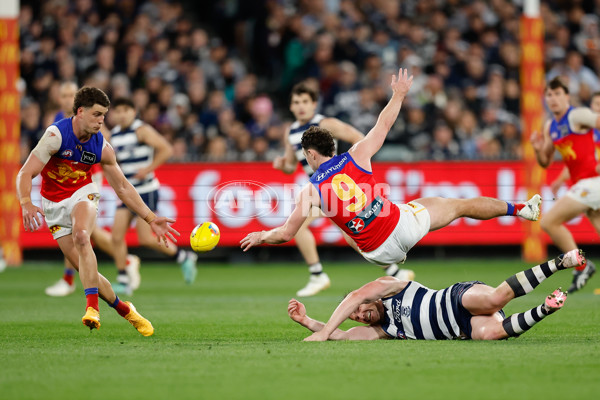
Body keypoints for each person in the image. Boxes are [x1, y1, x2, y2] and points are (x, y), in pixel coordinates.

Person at [241, 68, 541, 268]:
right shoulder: (356, 154)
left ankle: (390, 274)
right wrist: (398, 94)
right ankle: (520, 210)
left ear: (309, 154)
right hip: (399, 227)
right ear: (333, 147)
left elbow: (285, 234)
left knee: (352, 228)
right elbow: (383, 123)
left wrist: (260, 236)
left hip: (375, 253)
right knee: (459, 205)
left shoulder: (309, 192)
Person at [17, 87, 179, 334]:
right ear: (80, 112)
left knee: (83, 235)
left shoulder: (101, 146)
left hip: (83, 192)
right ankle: (126, 310)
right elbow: (25, 172)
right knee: (86, 270)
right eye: (96, 114)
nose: (102, 120)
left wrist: (151, 218)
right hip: (53, 205)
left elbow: (123, 187)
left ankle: (92, 308)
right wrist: (26, 202)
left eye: (104, 114)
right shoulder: (55, 135)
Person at [273, 82, 409, 297]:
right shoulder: (290, 133)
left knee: (310, 229)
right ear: (290, 106)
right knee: (350, 234)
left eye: (305, 102)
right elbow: (292, 166)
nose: (301, 107)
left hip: (336, 188)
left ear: (314, 104)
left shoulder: (326, 123)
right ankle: (394, 271)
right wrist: (283, 165)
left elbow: (359, 138)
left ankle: (318, 275)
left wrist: (345, 167)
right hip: (319, 193)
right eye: (296, 102)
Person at [288, 249, 584, 341]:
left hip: (455, 298)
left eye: (361, 309)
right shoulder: (386, 330)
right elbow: (341, 336)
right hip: (461, 328)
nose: (362, 315)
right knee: (491, 334)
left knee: (495, 299)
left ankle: (559, 263)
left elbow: (354, 294)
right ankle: (545, 309)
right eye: (358, 318)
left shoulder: (390, 286)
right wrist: (306, 321)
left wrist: (323, 331)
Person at [45, 82, 140, 297]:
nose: (68, 98)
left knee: (73, 229)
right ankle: (125, 259)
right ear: (60, 99)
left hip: (89, 176)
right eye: (64, 95)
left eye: (71, 94)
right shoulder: (58, 119)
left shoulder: (93, 119)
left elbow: (105, 144)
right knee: (84, 232)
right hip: (69, 176)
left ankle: (69, 279)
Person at [107, 97, 197, 294]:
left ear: (133, 111)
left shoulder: (141, 130)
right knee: (116, 237)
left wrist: (148, 168)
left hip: (146, 191)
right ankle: (123, 280)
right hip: (127, 193)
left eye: (126, 110)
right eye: (118, 111)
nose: (122, 114)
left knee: (146, 239)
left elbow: (166, 149)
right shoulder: (114, 134)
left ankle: (183, 257)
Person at [531, 77, 599, 292]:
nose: (553, 99)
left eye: (557, 94)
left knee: (549, 222)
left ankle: (582, 265)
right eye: (549, 95)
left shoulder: (578, 115)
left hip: (592, 183)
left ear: (567, 96)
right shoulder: (550, 126)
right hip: (585, 186)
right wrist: (537, 148)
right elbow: (545, 162)